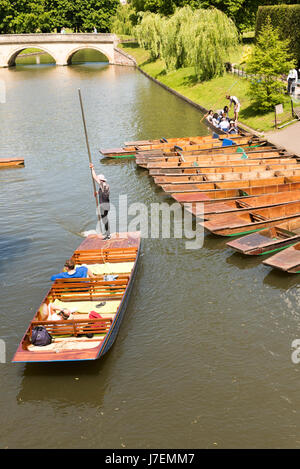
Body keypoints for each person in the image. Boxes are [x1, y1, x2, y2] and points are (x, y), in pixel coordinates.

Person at [90, 163, 111, 240]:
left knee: (105, 219)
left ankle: (108, 235)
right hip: (106, 205)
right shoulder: (104, 186)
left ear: (101, 180)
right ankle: (107, 232)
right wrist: (97, 192)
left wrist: (92, 168)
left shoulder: (103, 184)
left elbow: (94, 177)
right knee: (105, 219)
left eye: (99, 180)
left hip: (104, 205)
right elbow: (103, 192)